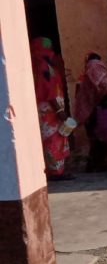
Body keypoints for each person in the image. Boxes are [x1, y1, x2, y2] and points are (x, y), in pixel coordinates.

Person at [30, 37, 73, 181]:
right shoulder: (42, 66)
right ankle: (55, 172)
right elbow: (48, 91)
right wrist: (59, 111)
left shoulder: (43, 65)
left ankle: (57, 170)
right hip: (49, 110)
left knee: (57, 138)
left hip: (51, 109)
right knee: (52, 140)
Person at [74, 52, 107, 171]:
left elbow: (78, 97)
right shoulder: (100, 74)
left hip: (89, 113)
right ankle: (98, 165)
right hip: (97, 113)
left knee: (95, 139)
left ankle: (95, 165)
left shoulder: (83, 77)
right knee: (99, 140)